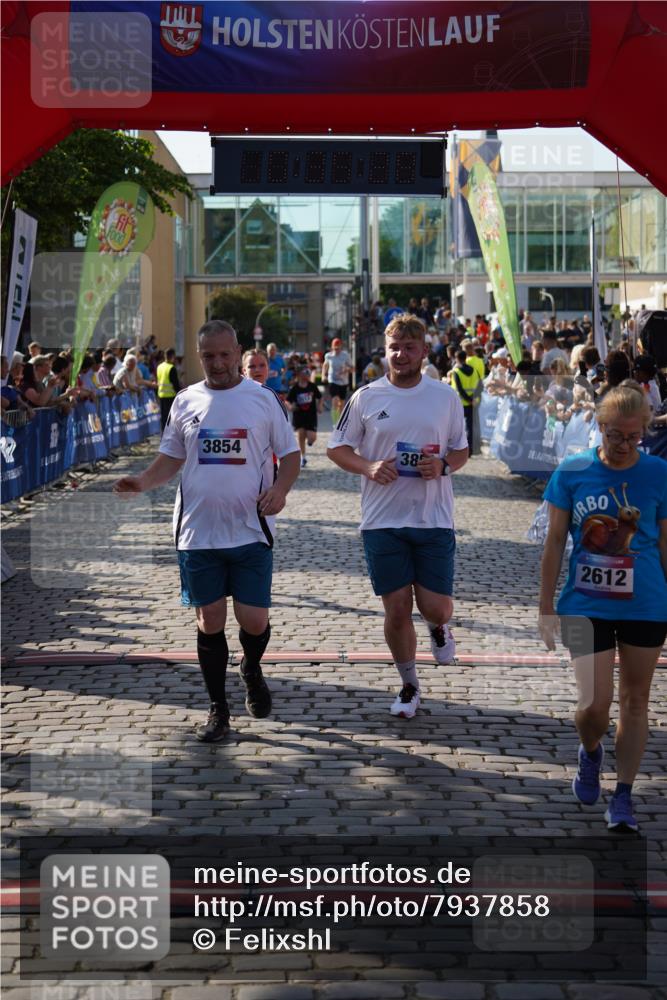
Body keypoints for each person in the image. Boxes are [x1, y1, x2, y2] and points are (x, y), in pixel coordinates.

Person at [113, 320, 300, 743]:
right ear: (199, 357)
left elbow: (289, 455)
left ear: (238, 352)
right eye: (208, 356)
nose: (217, 363)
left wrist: (280, 490)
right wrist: (142, 482)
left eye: (224, 354)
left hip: (251, 529)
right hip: (198, 532)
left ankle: (251, 667)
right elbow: (170, 458)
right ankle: (218, 709)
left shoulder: (263, 399)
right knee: (209, 619)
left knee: (254, 621)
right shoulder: (185, 401)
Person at [539, 382, 667, 832]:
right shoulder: (572, 471)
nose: (624, 445)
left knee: (635, 701)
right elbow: (555, 541)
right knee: (594, 705)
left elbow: (665, 544)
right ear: (599, 426)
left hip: (646, 603)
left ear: (644, 432)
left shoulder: (659, 473)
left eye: (633, 437)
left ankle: (624, 795)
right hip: (582, 603)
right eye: (615, 435)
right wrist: (545, 606)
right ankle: (591, 751)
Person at [327, 314, 469, 719]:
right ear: (385, 350)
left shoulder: (444, 396)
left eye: (409, 348)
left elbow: (461, 449)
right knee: (396, 608)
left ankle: (439, 627)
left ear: (423, 351)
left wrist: (443, 465)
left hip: (433, 517)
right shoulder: (366, 396)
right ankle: (409, 685)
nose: (401, 355)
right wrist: (369, 466)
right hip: (382, 520)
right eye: (394, 348)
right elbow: (337, 448)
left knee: (435, 607)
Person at [286, 365, 323, 468]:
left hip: (311, 416)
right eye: (304, 373)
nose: (306, 375)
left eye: (308, 373)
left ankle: (310, 442)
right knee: (301, 435)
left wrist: (320, 406)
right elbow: (287, 401)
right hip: (299, 415)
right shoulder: (295, 388)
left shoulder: (312, 386)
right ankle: (303, 457)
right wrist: (290, 407)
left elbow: (320, 397)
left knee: (312, 438)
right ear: (298, 375)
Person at [448, 349, 481, 454]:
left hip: (460, 403)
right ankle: (470, 449)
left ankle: (458, 449)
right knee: (470, 427)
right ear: (465, 358)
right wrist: (473, 399)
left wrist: (469, 400)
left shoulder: (456, 372)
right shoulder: (474, 370)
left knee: (457, 428)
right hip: (472, 403)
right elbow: (480, 386)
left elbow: (460, 389)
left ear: (456, 359)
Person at [322, 337, 352, 426]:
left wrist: (346, 370)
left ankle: (340, 422)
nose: (337, 350)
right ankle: (335, 423)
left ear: (341, 347)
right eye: (335, 348)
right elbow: (325, 365)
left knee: (341, 403)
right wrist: (323, 375)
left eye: (338, 348)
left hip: (343, 382)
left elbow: (352, 368)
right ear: (332, 347)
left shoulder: (345, 355)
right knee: (335, 401)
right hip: (332, 380)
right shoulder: (328, 356)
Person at [157, 348, 181, 430]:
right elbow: (175, 384)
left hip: (161, 395)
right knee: (171, 417)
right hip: (170, 396)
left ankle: (163, 433)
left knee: (163, 417)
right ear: (173, 356)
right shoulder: (171, 368)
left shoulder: (159, 366)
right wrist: (180, 393)